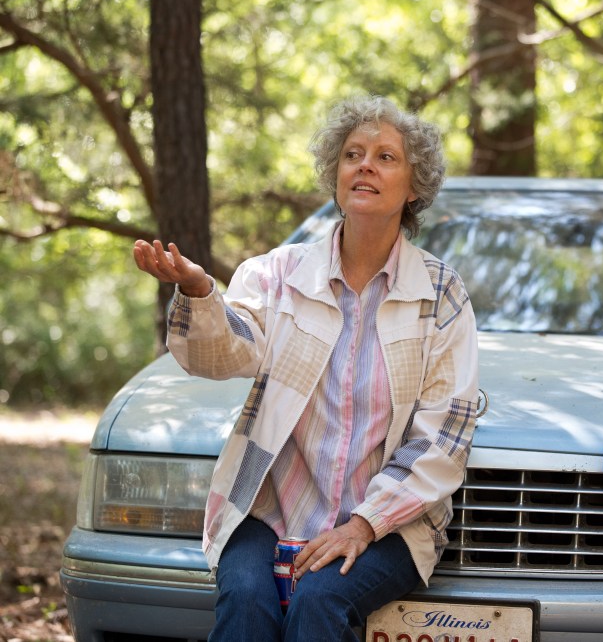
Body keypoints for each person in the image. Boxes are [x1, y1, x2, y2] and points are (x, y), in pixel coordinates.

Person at [132, 96, 480, 642]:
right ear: (335, 175)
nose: (365, 164)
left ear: (414, 187)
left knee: (320, 599)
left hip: (389, 521)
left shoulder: (442, 295)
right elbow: (222, 353)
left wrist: (364, 524)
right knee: (246, 598)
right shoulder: (276, 274)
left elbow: (446, 433)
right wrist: (200, 291)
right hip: (268, 508)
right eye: (352, 154)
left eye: (386, 157)